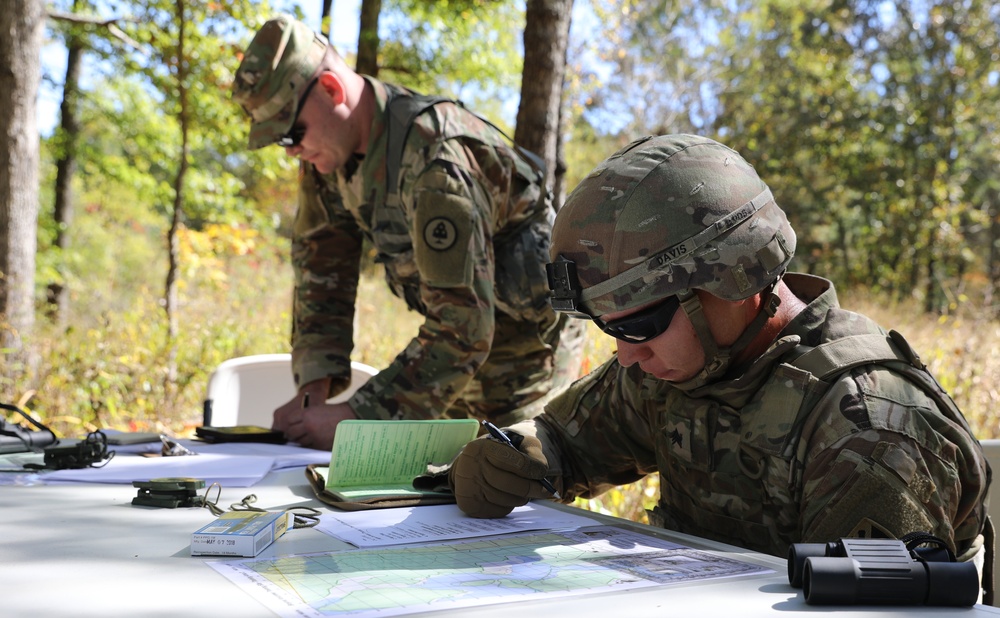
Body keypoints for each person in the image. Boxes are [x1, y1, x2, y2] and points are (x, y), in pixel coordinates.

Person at [447, 134, 991, 566]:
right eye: (608, 329)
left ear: (736, 278)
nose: (627, 356)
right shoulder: (677, 364)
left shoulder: (868, 427)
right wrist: (513, 456)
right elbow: (566, 442)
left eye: (639, 324)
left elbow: (872, 612)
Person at [230, 15, 582, 451]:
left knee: (514, 475)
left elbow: (465, 324)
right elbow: (322, 271)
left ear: (330, 89)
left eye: (293, 132)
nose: (294, 150)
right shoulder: (327, 156)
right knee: (451, 483)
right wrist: (313, 390)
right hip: (459, 348)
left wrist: (358, 417)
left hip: (528, 352)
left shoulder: (435, 162)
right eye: (283, 142)